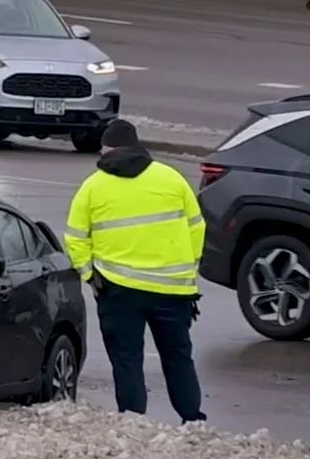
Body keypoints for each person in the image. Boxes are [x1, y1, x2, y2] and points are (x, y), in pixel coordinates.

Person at [63, 118, 207, 424]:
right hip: (173, 289)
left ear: (106, 149)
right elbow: (196, 227)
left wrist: (89, 275)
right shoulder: (171, 178)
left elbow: (75, 237)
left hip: (118, 290)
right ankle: (192, 419)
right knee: (178, 356)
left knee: (126, 359)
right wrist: (187, 268)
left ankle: (133, 421)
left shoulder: (93, 187)